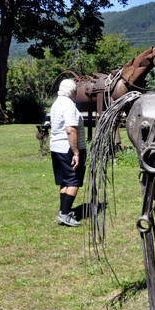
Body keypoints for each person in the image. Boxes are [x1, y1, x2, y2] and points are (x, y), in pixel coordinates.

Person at [50, 79, 86, 227]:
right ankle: (65, 215)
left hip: (56, 147)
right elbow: (70, 130)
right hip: (67, 149)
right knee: (73, 180)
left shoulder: (56, 103)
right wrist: (76, 153)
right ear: (73, 91)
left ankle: (62, 211)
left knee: (65, 180)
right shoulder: (69, 105)